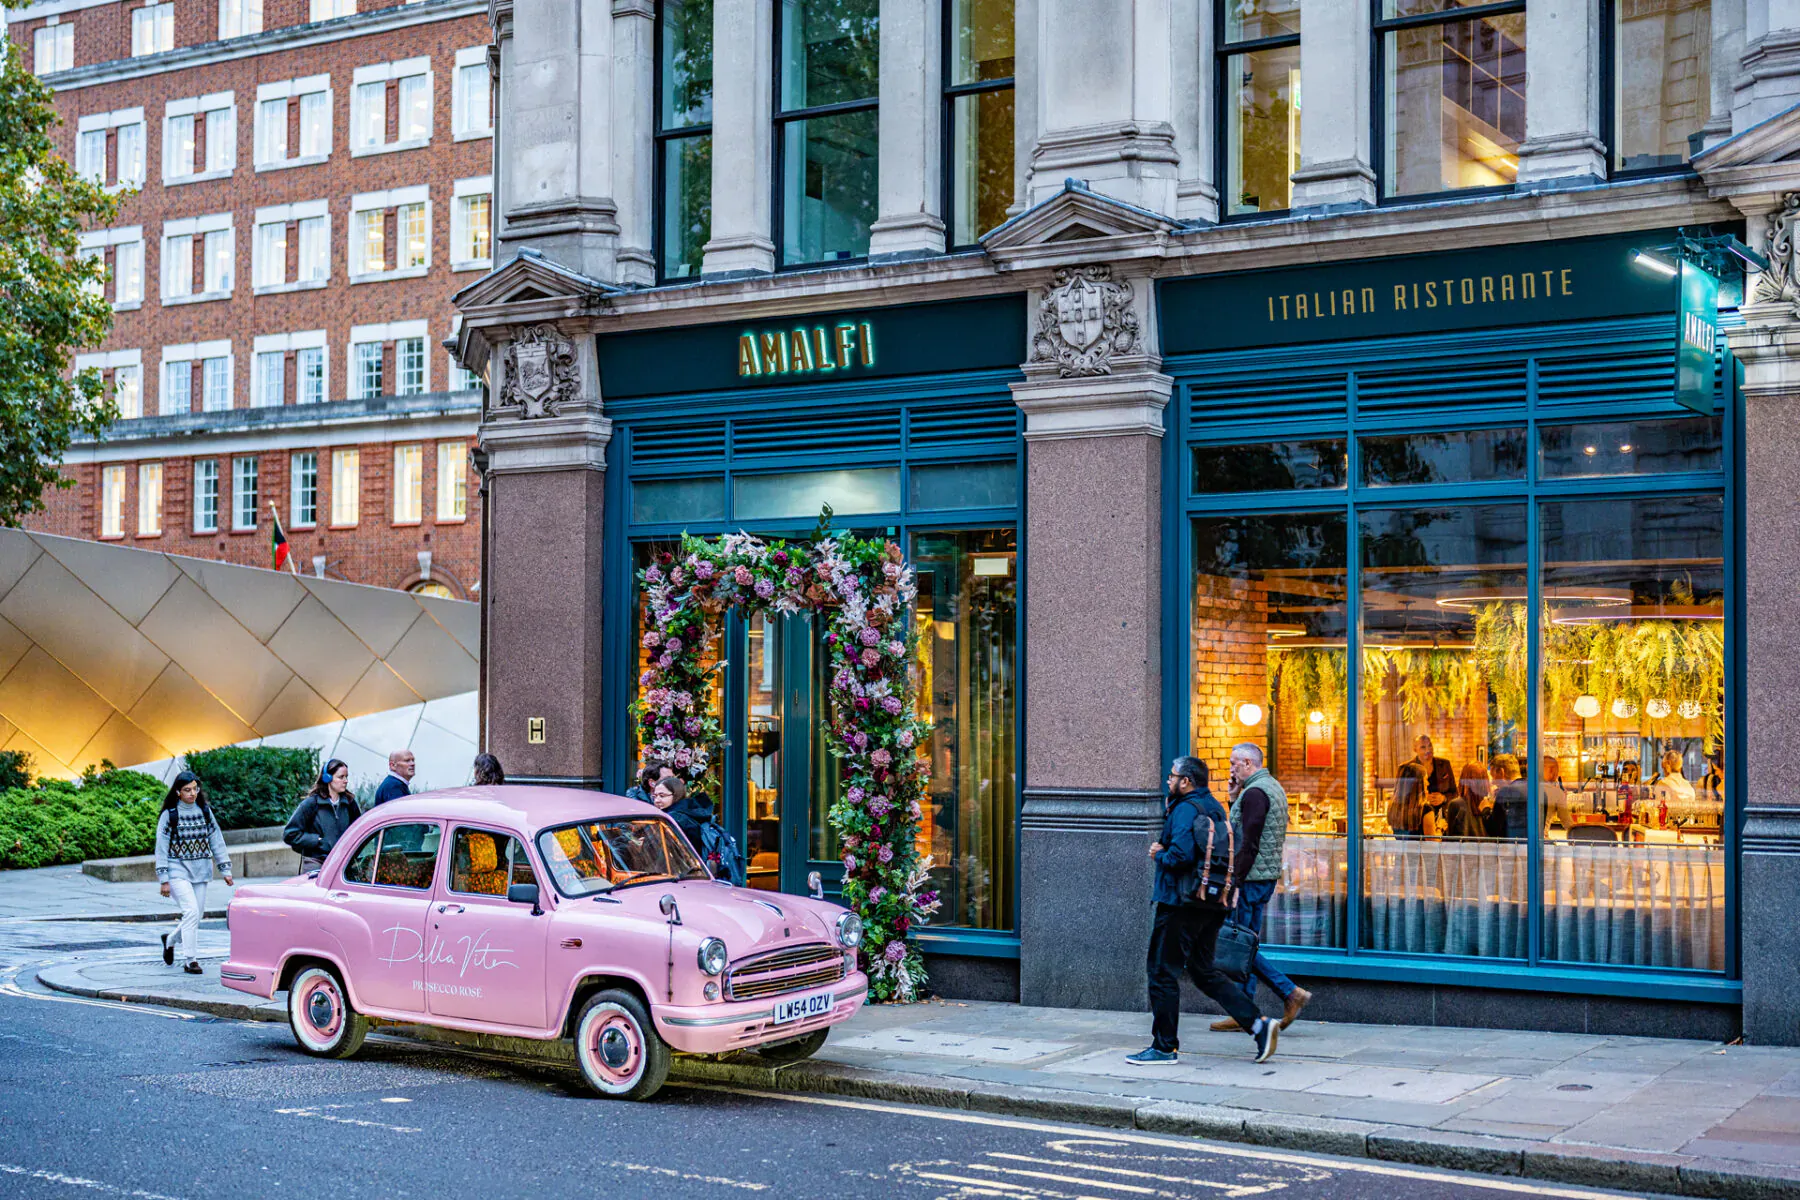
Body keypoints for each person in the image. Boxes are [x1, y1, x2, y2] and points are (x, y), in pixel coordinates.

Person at [1128, 756, 1277, 1066]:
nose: (1168, 781)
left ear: (1186, 782)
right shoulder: (1213, 807)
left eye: (1172, 777)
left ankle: (1164, 1047)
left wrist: (1159, 854)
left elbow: (1180, 856)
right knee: (1203, 971)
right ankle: (1258, 1025)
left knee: (1161, 971)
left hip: (1179, 903)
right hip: (1211, 904)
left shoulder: (1185, 809)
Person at [1210, 743, 1312, 1033]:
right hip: (1262, 878)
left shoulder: (1255, 793)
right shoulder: (1270, 787)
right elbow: (1245, 831)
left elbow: (1247, 843)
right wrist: (1233, 798)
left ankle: (1290, 992)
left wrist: (1234, 883)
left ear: (1247, 763)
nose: (1231, 769)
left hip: (1250, 880)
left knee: (1241, 946)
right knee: (1247, 942)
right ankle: (1245, 1012)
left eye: (1234, 763)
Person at [154, 771, 233, 975]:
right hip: (177, 870)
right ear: (178, 792)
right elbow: (161, 847)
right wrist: (164, 879)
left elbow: (216, 840)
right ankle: (191, 960)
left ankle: (170, 940)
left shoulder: (204, 811)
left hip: (201, 870)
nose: (192, 793)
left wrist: (225, 869)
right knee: (190, 912)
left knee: (196, 916)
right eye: (187, 790)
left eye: (195, 789)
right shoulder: (169, 815)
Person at [284, 759, 363, 872]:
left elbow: (358, 832)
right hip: (316, 866)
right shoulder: (311, 804)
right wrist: (317, 840)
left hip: (344, 865)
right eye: (341, 777)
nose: (345, 781)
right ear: (327, 778)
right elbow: (290, 834)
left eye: (346, 777)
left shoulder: (350, 803)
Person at [652, 774, 714, 853]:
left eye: (662, 796)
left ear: (676, 795)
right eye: (655, 796)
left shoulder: (675, 818)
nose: (657, 800)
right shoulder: (688, 812)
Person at [1445, 762, 1495, 839]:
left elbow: (1451, 838)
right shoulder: (1488, 805)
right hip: (1486, 846)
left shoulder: (1456, 804)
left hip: (1463, 846)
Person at [1653, 750, 1697, 824]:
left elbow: (1659, 810)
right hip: (1688, 825)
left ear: (1668, 763)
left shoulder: (1663, 784)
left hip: (1670, 825)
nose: (1663, 769)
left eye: (1663, 766)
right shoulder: (1688, 785)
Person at [1490, 754, 1527, 837]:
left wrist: (1485, 809)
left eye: (1493, 776)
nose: (1492, 782)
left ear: (1501, 772)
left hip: (1510, 844)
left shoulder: (1505, 793)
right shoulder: (1536, 790)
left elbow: (1495, 830)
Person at [1386, 762, 1425, 837]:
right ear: (1419, 784)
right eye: (1425, 780)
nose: (1428, 783)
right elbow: (1432, 841)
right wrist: (1440, 828)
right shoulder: (1424, 809)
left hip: (1400, 845)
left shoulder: (1393, 807)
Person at [1540, 756, 1573, 831]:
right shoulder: (1556, 792)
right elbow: (1567, 822)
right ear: (1552, 771)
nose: (1557, 775)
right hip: (1541, 837)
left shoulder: (1527, 787)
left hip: (1518, 837)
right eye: (1557, 771)